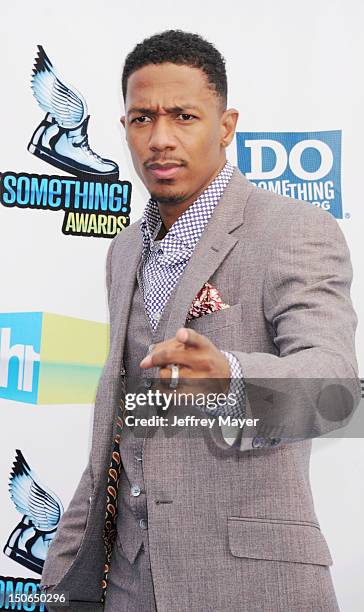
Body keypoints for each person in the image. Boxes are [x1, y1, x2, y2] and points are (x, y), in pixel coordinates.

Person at [41, 30, 360, 611]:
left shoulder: (293, 230)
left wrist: (231, 379)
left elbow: (335, 387)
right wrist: (64, 584)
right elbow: (114, 436)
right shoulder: (124, 249)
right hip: (129, 589)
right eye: (142, 119)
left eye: (184, 116)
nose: (160, 139)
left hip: (252, 586)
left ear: (227, 125)